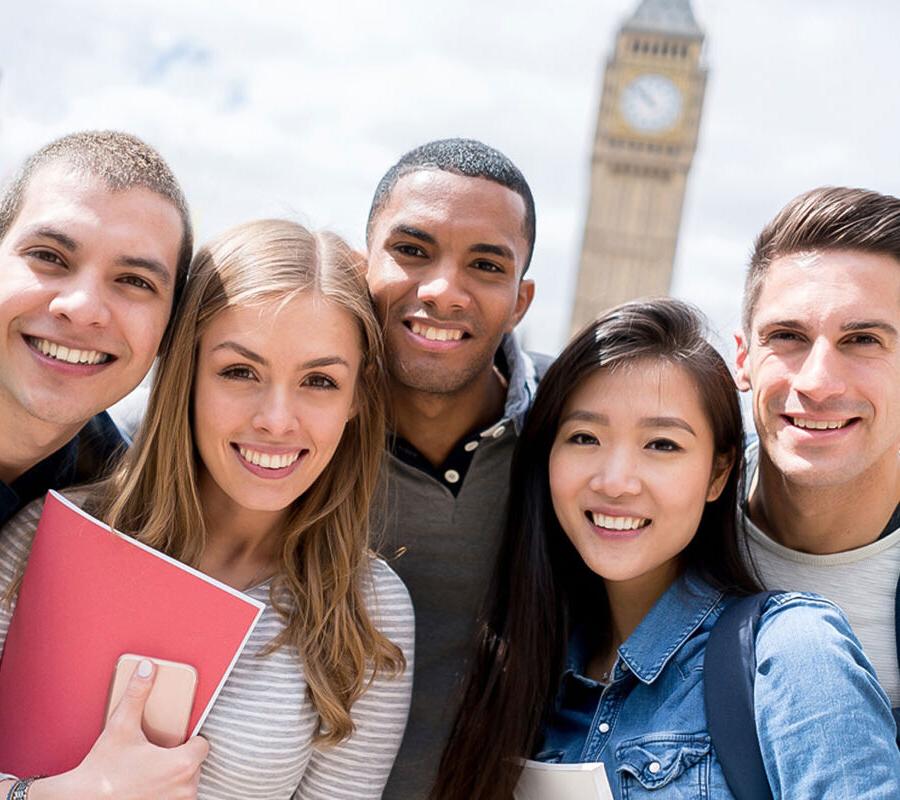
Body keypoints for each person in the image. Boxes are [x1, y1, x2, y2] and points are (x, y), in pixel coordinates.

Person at [0, 220, 413, 799]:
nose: (276, 418)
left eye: (319, 381)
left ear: (357, 398)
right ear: (186, 375)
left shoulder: (371, 612)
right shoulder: (48, 536)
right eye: (240, 371)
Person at [433, 298, 900, 800]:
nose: (615, 482)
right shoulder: (521, 667)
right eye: (585, 437)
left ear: (719, 473)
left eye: (661, 445)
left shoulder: (791, 654)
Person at [365, 138, 545, 797]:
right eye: (412, 251)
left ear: (520, 301)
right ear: (363, 265)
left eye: (486, 265)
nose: (442, 291)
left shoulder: (573, 437)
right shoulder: (291, 431)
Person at [735, 186, 900, 705]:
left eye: (863, 340)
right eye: (787, 335)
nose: (818, 381)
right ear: (743, 359)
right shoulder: (659, 526)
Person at [0, 130, 192, 527]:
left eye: (136, 280)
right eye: (48, 256)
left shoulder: (131, 517)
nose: (82, 308)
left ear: (169, 331)